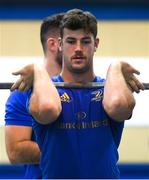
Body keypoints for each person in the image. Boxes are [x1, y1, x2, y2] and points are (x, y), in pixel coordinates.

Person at [11, 9, 144, 179]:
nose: (78, 49)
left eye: (85, 42)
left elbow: (119, 106)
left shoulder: (109, 89)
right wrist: (37, 69)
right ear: (60, 44)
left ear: (96, 44)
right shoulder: (44, 90)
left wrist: (116, 66)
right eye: (71, 41)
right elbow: (47, 109)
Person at [4, 13, 64, 179]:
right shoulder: (23, 93)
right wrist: (71, 151)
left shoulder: (88, 88)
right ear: (53, 44)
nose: (78, 48)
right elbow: (15, 152)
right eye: (70, 41)